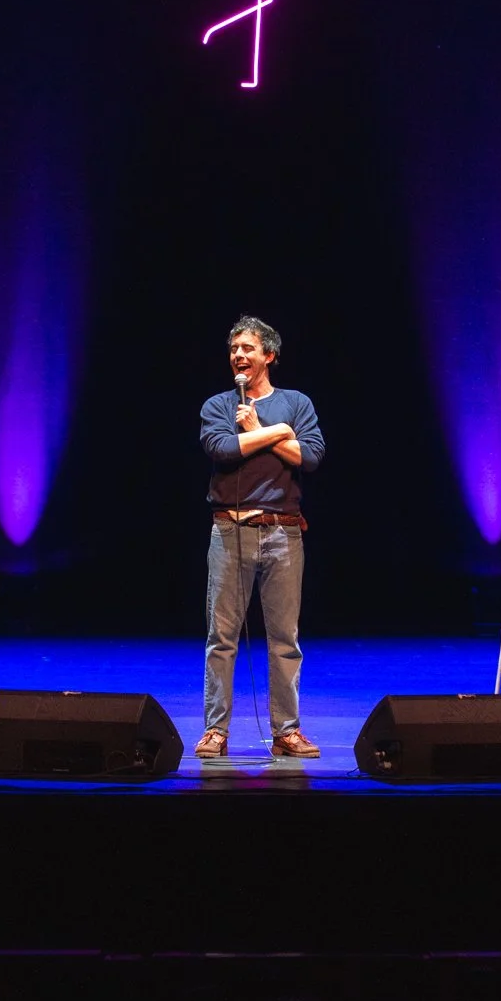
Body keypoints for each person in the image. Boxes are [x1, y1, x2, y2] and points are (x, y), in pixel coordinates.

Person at [196, 315, 326, 759]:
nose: (239, 356)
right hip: (230, 530)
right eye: (234, 349)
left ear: (268, 355)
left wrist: (256, 430)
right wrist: (273, 433)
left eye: (248, 349)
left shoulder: (296, 402)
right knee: (222, 637)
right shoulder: (218, 405)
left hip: (284, 534)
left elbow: (309, 457)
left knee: (285, 640)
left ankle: (286, 731)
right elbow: (221, 448)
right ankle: (216, 730)